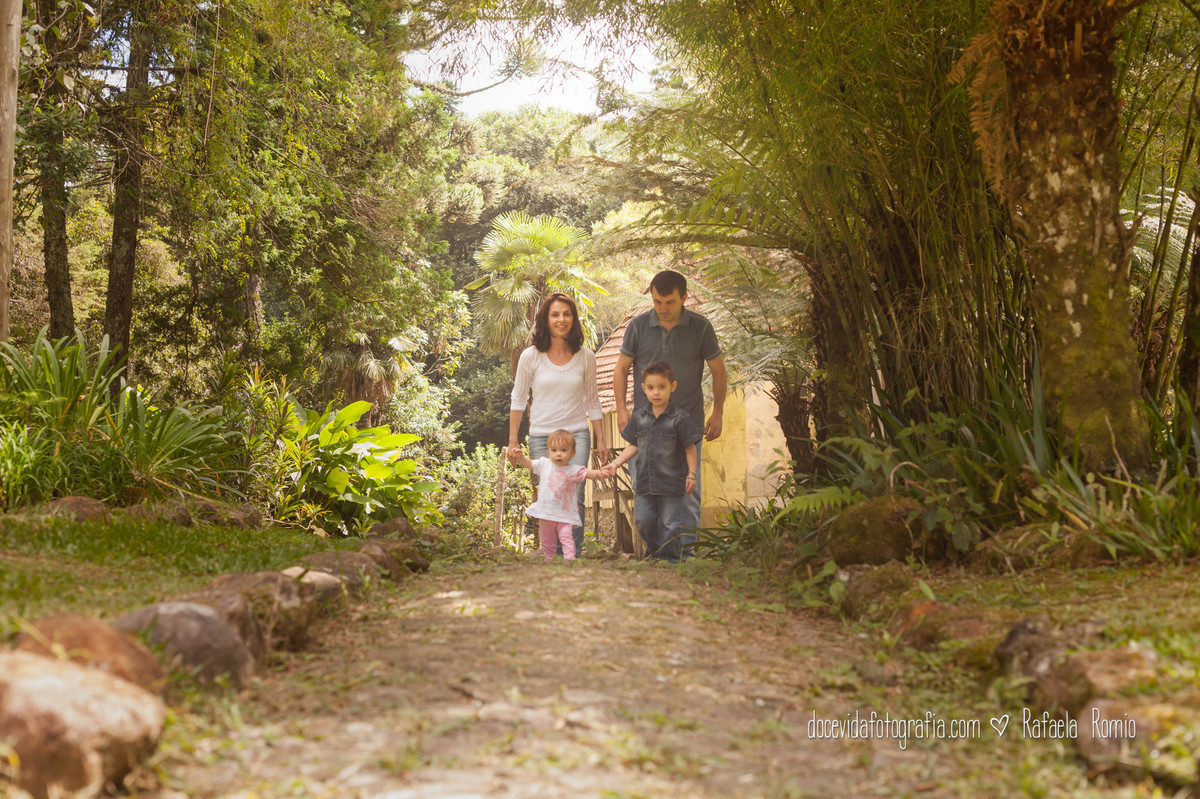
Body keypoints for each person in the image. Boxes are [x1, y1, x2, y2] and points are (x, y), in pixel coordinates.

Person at [613, 270, 725, 556]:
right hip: (644, 429)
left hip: (686, 426)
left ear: (684, 298)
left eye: (669, 303)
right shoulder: (638, 326)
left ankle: (684, 558)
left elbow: (718, 370)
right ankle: (658, 552)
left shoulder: (701, 327)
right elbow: (621, 368)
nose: (663, 309)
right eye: (658, 302)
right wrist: (623, 410)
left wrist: (718, 412)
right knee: (645, 495)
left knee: (688, 494)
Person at [508, 292, 608, 557]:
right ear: (546, 319)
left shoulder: (586, 356)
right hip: (542, 436)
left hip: (577, 434)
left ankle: (571, 554)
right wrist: (513, 440)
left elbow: (593, 400)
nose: (561, 319)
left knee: (575, 493)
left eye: (566, 314)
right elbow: (518, 399)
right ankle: (551, 553)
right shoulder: (530, 357)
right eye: (555, 314)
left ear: (573, 319)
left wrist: (602, 439)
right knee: (550, 495)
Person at [603, 362, 702, 562]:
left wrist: (692, 474)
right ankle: (658, 553)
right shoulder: (639, 418)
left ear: (672, 386)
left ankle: (669, 561)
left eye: (661, 387)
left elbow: (690, 448)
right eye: (651, 388)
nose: (656, 392)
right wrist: (615, 463)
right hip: (645, 485)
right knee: (643, 521)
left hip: (672, 486)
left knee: (670, 525)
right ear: (643, 389)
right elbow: (633, 445)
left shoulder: (680, 418)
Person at [511, 430, 606, 561]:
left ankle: (569, 560)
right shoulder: (544, 464)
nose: (559, 454)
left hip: (564, 515)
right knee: (547, 541)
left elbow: (589, 474)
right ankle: (550, 560)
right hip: (546, 514)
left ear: (572, 453)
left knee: (566, 538)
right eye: (554, 450)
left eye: (563, 450)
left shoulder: (573, 469)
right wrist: (520, 457)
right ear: (548, 452)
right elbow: (530, 464)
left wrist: (600, 473)